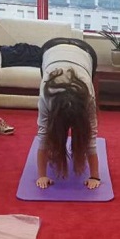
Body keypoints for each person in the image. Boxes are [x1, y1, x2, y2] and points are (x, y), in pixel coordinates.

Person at [35, 38, 101, 190]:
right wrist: (42, 175)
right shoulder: (47, 95)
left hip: (86, 53)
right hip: (50, 50)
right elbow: (43, 133)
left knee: (82, 132)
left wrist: (94, 176)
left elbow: (91, 135)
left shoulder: (88, 97)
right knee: (54, 132)